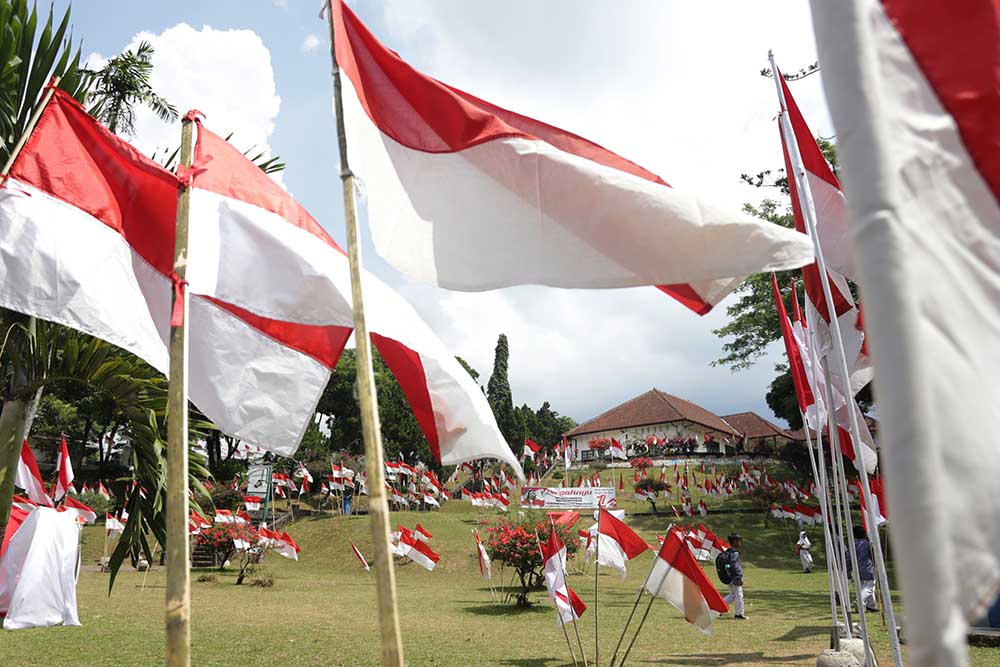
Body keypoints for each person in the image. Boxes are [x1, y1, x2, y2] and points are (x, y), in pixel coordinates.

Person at [847, 525, 878, 613]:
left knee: (862, 587)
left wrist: (848, 569)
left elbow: (848, 558)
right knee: (869, 587)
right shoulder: (867, 544)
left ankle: (871, 605)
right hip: (867, 568)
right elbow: (874, 554)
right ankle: (859, 601)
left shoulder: (852, 544)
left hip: (857, 569)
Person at [722, 533, 747, 619]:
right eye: (739, 542)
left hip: (729, 577)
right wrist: (739, 575)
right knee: (739, 595)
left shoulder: (728, 552)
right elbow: (735, 565)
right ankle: (739, 614)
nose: (740, 544)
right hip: (735, 577)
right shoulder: (734, 553)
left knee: (733, 595)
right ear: (735, 542)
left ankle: (718, 608)